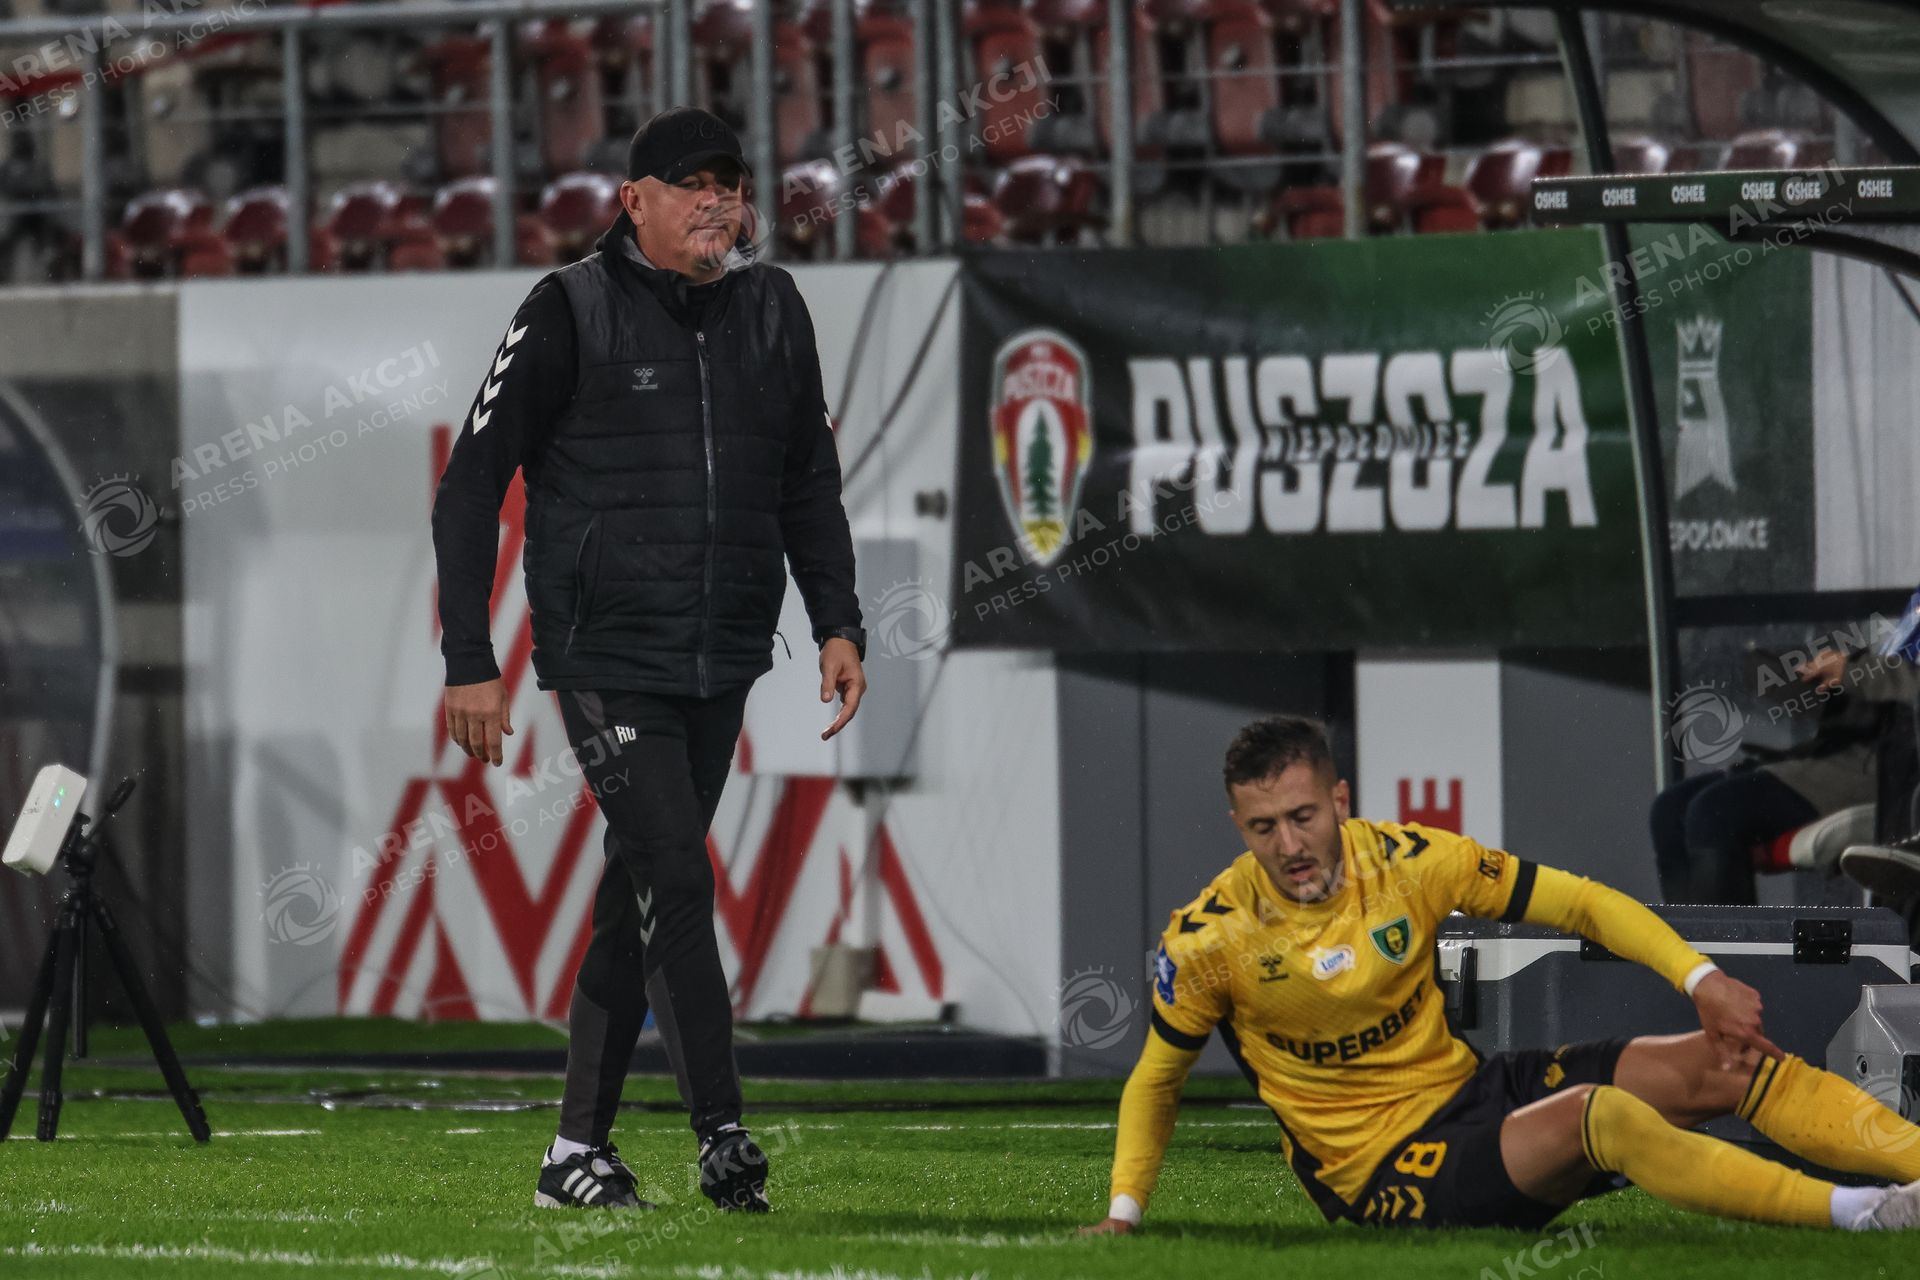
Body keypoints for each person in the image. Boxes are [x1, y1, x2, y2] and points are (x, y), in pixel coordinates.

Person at [430, 106, 868, 1213]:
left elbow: (807, 481)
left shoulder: (774, 306)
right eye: (692, 183)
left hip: (723, 651)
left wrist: (840, 620)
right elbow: (471, 483)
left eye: (731, 181)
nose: (718, 200)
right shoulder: (566, 307)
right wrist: (469, 655)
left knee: (639, 885)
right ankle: (723, 1130)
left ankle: (573, 1152)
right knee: (676, 875)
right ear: (634, 201)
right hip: (606, 651)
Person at [1083, 715, 1920, 1235]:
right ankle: (1861, 1217)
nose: (1290, 845)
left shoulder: (1412, 861)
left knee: (1728, 1061)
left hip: (1469, 1095)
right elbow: (1156, 1081)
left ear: (1340, 800)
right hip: (1382, 1172)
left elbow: (1581, 902)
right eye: (1264, 827)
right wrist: (1124, 1213)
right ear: (1239, 825)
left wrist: (1701, 980)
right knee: (1599, 1115)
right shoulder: (1210, 938)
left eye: (1302, 816)